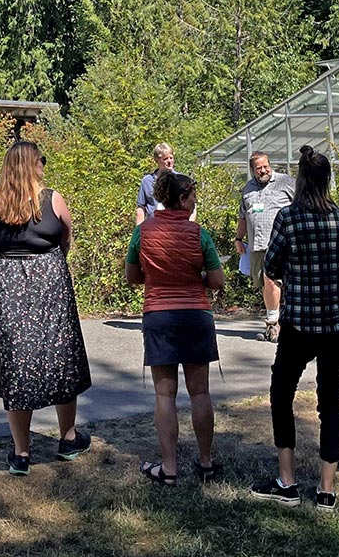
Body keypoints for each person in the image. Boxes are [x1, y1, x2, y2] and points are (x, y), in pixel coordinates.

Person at [249, 145, 339, 514]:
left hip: (299, 322)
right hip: (337, 322)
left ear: (299, 180)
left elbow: (272, 267)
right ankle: (326, 489)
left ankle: (287, 480)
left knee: (282, 393)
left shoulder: (288, 217)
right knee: (331, 402)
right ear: (327, 180)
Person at [0, 141, 92, 475]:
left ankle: (21, 452)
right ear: (33, 164)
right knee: (60, 354)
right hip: (48, 280)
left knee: (14, 360)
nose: (44, 165)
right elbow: (66, 237)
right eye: (41, 160)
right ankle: (68, 437)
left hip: (3, 283)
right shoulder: (51, 198)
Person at [125, 172, 226, 486]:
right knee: (200, 392)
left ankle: (169, 468)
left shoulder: (142, 232)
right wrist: (196, 281)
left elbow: (132, 277)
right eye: (192, 196)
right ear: (182, 199)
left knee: (164, 395)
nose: (195, 200)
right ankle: (206, 462)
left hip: (159, 315)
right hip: (196, 314)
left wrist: (158, 280)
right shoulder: (199, 234)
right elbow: (217, 281)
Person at [236, 151, 296, 344]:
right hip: (257, 245)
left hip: (283, 244)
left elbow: (304, 206)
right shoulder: (248, 190)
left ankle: (277, 324)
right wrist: (238, 238)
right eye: (258, 168)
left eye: (265, 166)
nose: (263, 170)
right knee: (266, 284)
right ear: (252, 170)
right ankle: (273, 325)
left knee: (275, 282)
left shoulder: (286, 182)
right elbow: (243, 217)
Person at [135, 143, 175, 225]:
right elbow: (141, 208)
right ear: (157, 160)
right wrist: (139, 232)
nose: (169, 161)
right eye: (165, 159)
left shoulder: (181, 180)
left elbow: (191, 206)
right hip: (153, 230)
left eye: (171, 158)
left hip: (174, 229)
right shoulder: (147, 181)